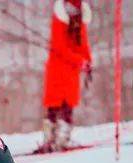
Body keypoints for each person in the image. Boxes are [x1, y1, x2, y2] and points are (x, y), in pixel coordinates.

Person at [35, 0, 92, 153]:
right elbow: (59, 47)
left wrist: (87, 60)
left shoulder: (81, 16)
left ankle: (60, 141)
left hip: (72, 71)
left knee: (68, 107)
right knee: (54, 107)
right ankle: (50, 142)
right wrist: (81, 61)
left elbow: (83, 43)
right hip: (58, 70)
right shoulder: (60, 18)